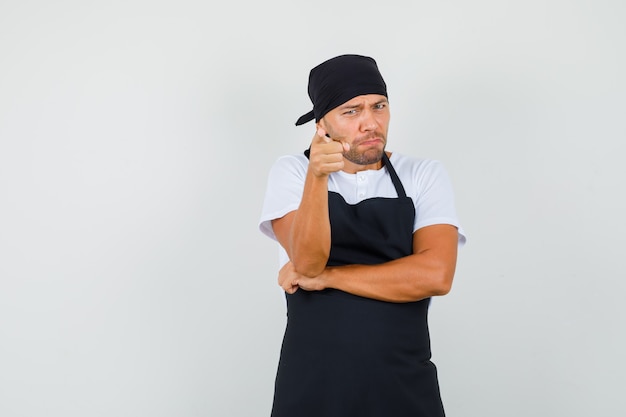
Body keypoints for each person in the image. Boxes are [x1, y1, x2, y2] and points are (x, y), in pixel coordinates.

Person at [258, 54, 466, 417]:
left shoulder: (422, 175)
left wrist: (327, 278)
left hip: (403, 386)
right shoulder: (293, 172)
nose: (371, 122)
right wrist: (318, 177)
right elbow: (307, 261)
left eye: (379, 106)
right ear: (322, 124)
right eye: (351, 111)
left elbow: (435, 275)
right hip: (312, 386)